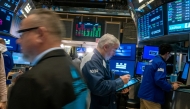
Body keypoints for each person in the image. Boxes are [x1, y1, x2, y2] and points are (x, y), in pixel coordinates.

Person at [8, 9, 88, 109]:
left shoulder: (31, 82)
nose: (18, 41)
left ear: (40, 34)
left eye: (22, 34)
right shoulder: (73, 68)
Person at [80, 33, 131, 109]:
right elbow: (99, 87)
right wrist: (120, 81)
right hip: (93, 105)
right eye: (114, 50)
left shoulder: (103, 59)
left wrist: (118, 87)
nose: (114, 54)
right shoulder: (92, 61)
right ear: (106, 47)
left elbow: (107, 81)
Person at [138, 43, 180, 109]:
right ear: (167, 53)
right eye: (170, 55)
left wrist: (167, 83)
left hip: (143, 95)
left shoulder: (152, 60)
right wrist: (171, 87)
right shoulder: (161, 62)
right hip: (151, 97)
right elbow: (158, 80)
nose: (169, 57)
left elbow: (151, 77)